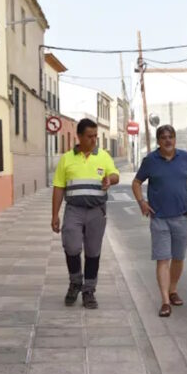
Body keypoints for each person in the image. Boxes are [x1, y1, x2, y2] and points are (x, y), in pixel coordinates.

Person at [132, 125, 187, 317]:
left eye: (171, 136)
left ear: (175, 139)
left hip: (182, 216)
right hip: (159, 218)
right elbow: (136, 182)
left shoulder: (185, 158)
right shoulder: (150, 161)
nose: (168, 140)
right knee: (163, 258)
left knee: (178, 258)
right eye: (163, 137)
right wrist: (142, 202)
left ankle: (173, 290)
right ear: (158, 141)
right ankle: (165, 301)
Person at [51, 118, 119, 309]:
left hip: (96, 212)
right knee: (71, 248)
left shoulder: (103, 156)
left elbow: (115, 175)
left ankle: (89, 291)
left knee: (93, 252)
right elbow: (58, 187)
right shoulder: (66, 159)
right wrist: (54, 215)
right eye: (89, 136)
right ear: (79, 136)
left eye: (95, 136)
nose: (94, 140)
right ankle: (75, 283)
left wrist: (109, 180)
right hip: (74, 211)